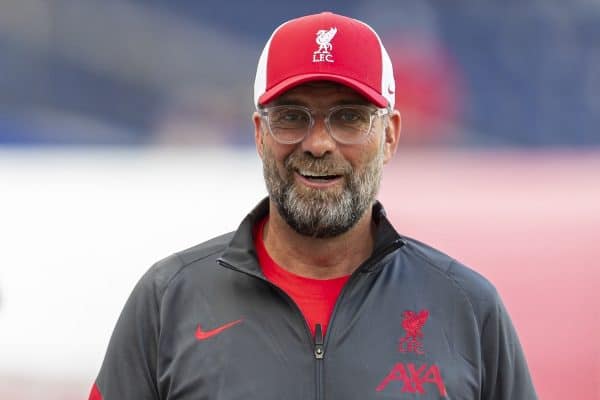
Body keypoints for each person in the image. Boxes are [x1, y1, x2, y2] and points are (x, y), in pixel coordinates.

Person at [89, 12, 537, 400]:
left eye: (348, 117)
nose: (319, 143)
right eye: (291, 117)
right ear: (260, 135)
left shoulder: (467, 309)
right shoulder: (169, 302)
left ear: (390, 136)